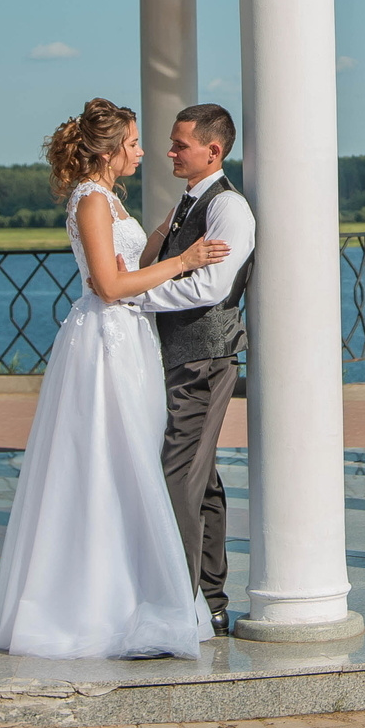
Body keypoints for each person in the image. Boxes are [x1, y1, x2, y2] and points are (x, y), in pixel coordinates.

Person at [0, 98, 229, 660]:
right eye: (136, 143)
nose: (144, 152)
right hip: (105, 340)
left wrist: (165, 233)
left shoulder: (111, 202)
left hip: (130, 339)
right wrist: (185, 260)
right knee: (104, 462)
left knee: (135, 460)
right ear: (111, 149)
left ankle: (138, 592)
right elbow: (109, 286)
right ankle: (95, 604)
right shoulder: (91, 200)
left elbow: (128, 265)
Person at [133, 104, 256, 635]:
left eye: (180, 145)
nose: (170, 152)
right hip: (180, 357)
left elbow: (211, 288)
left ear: (214, 149)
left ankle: (178, 605)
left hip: (204, 359)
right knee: (199, 479)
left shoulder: (230, 209)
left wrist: (136, 299)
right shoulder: (188, 204)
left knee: (177, 475)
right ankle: (209, 598)